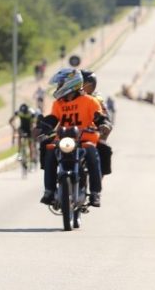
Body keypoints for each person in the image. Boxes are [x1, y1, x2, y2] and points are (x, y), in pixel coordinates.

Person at [40, 69, 105, 207]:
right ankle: (49, 191)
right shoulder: (58, 104)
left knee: (93, 153)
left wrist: (104, 123)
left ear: (71, 83)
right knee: (50, 149)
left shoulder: (89, 101)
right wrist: (43, 126)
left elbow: (99, 117)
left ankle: (95, 193)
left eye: (60, 84)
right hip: (64, 141)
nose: (58, 87)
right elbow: (53, 119)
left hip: (84, 140)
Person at [80, 70, 113, 177]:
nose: (82, 86)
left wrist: (104, 125)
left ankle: (99, 176)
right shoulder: (71, 96)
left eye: (85, 84)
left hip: (92, 132)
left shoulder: (97, 98)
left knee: (103, 148)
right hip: (73, 132)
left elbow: (104, 115)